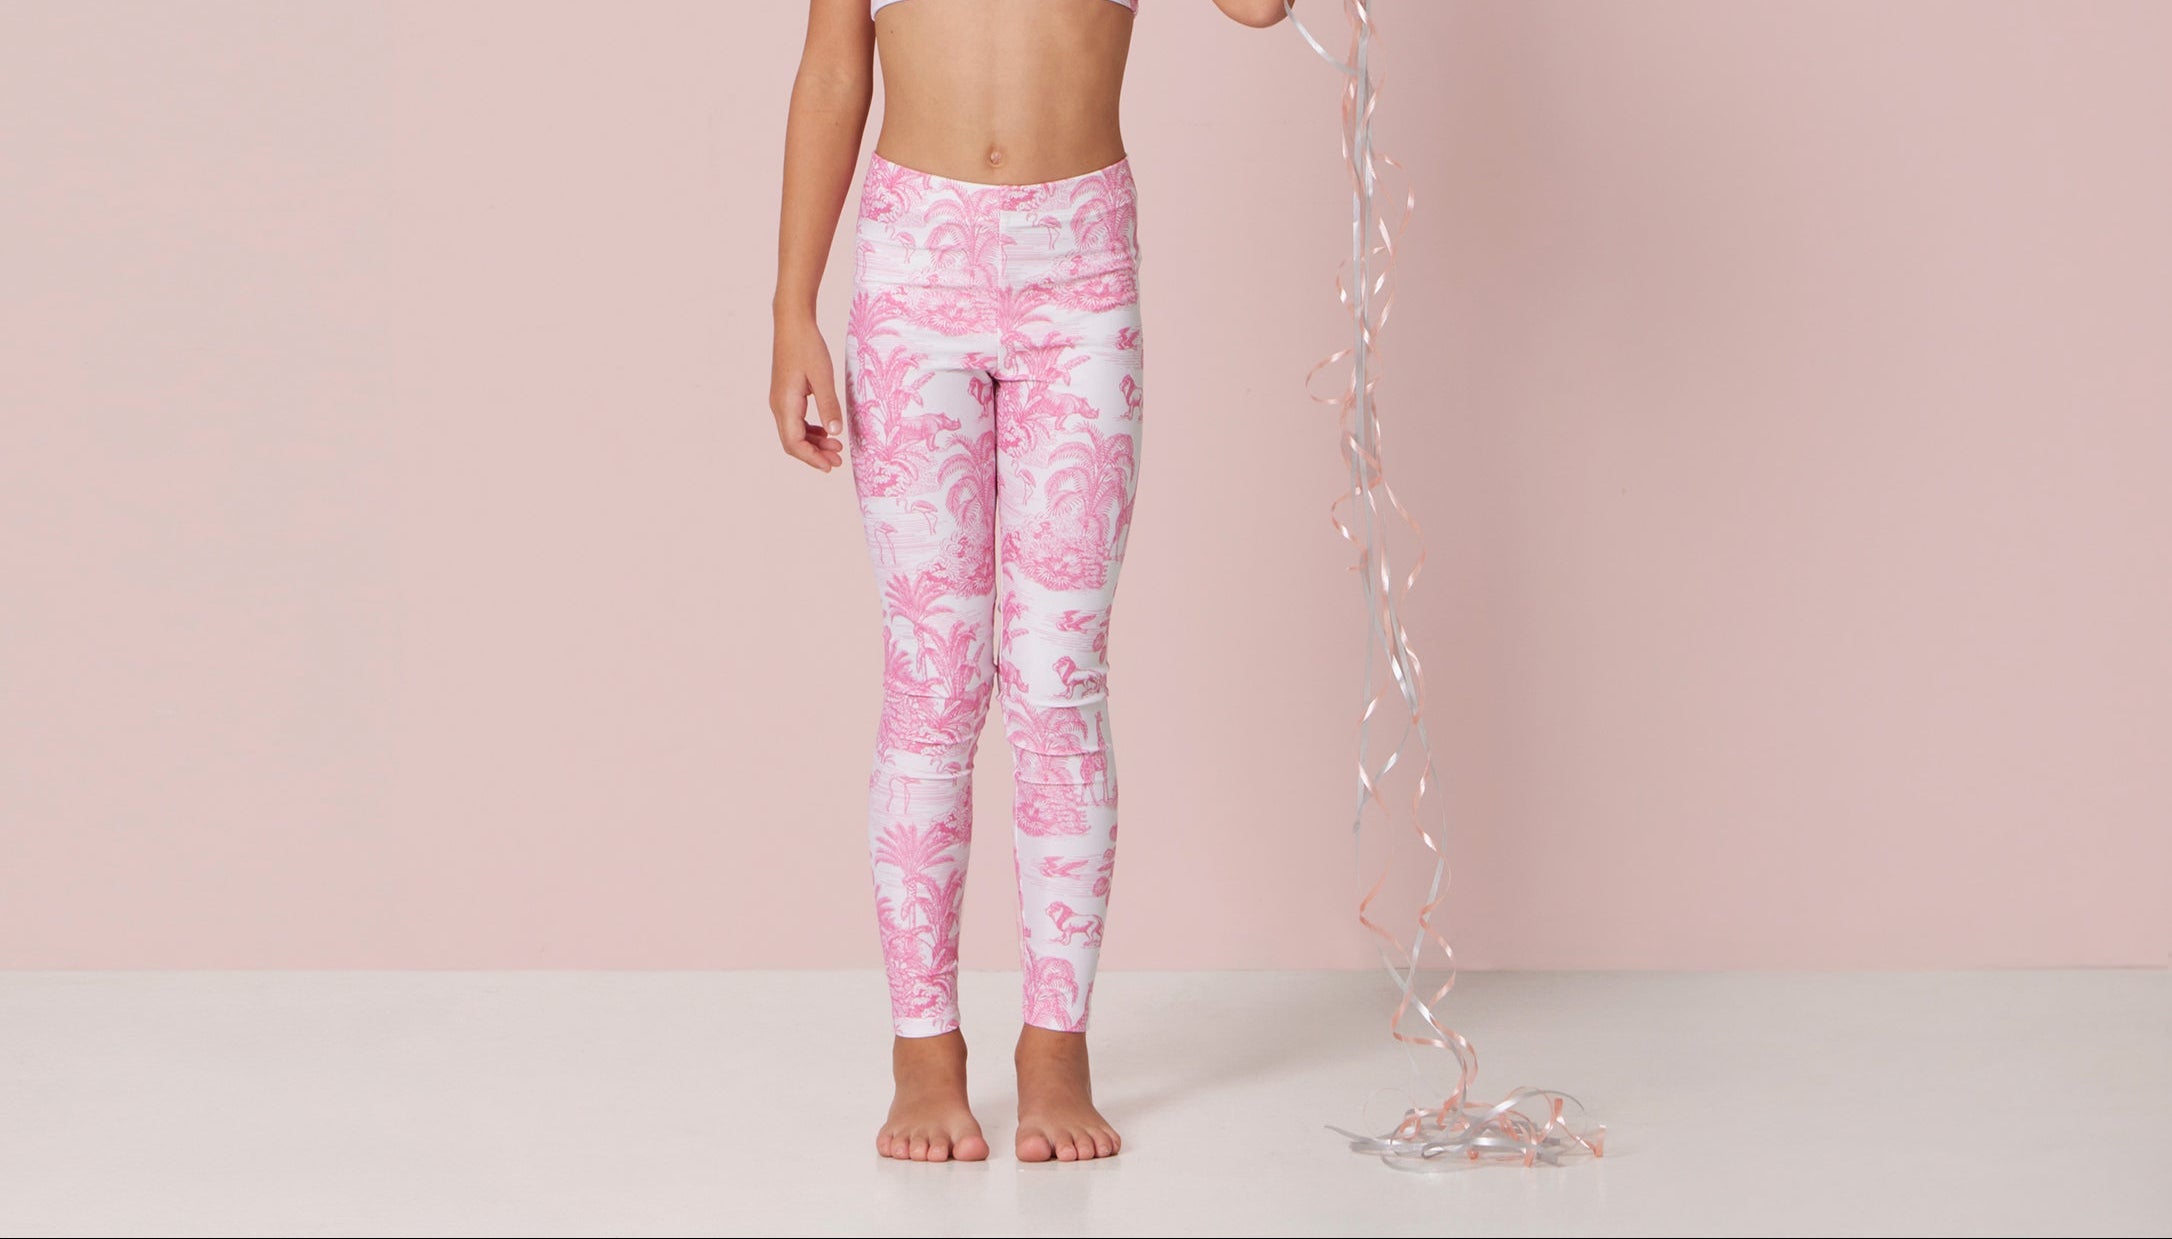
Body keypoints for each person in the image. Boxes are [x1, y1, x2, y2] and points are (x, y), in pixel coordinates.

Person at [770, 0, 1295, 1165]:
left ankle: (1057, 1047)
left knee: (1060, 683)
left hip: (1080, 273)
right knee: (933, 686)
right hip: (913, 268)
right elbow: (833, 73)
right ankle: (924, 1050)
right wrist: (791, 307)